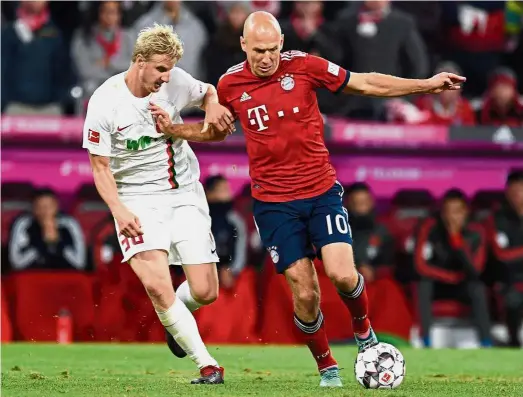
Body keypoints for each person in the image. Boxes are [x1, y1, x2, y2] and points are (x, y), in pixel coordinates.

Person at [152, 11, 466, 387]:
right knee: (305, 294)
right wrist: (176, 130)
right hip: (274, 204)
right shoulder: (230, 84)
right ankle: (327, 368)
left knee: (343, 273)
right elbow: (216, 131)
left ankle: (364, 332)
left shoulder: (305, 67)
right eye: (257, 51)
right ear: (243, 45)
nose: (265, 58)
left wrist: (425, 85)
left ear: (281, 43)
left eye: (271, 50)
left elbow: (364, 83)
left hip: (320, 192)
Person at [82, 24, 235, 384]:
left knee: (206, 291)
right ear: (139, 62)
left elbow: (208, 91)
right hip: (135, 201)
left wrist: (212, 107)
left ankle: (177, 318)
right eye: (160, 69)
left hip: (182, 194)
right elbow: (100, 168)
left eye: (170, 69)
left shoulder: (177, 81)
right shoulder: (105, 102)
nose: (167, 78)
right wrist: (119, 210)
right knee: (156, 285)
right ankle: (208, 365)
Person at [414, 189, 492, 348]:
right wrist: (449, 277)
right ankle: (426, 340)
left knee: (478, 288)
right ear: (442, 214)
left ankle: (486, 342)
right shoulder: (429, 227)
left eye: (457, 212)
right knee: (423, 284)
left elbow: (476, 269)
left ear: (465, 212)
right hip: (438, 284)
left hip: (464, 284)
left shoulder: (476, 231)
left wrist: (456, 240)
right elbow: (420, 265)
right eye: (447, 212)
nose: (452, 217)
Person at [487, 170, 523, 347]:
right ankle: (514, 344)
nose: (517, 195)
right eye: (513, 191)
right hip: (508, 279)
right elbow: (501, 254)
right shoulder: (498, 218)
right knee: (513, 298)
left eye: (521, 190)